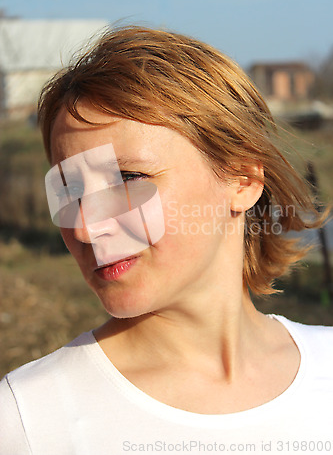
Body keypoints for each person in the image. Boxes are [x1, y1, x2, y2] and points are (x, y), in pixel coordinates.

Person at [0, 26, 332, 455]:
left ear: (243, 179)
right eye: (68, 190)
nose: (84, 227)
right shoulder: (27, 419)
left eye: (128, 178)